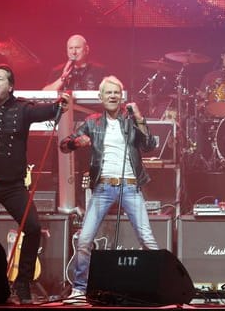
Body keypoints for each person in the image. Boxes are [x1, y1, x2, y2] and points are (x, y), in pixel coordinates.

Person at [0, 64, 70, 304]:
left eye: (0, 79)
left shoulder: (22, 109)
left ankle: (23, 281)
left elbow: (47, 111)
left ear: (11, 86)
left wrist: (61, 105)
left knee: (34, 228)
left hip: (13, 185)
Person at [59, 75, 159, 304]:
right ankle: (79, 289)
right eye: (109, 92)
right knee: (84, 240)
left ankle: (159, 285)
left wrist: (141, 119)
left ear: (121, 96)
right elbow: (64, 145)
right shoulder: (92, 122)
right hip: (103, 187)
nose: (113, 96)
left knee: (147, 239)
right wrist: (77, 142)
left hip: (131, 187)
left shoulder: (131, 120)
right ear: (100, 97)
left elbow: (150, 145)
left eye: (117, 92)